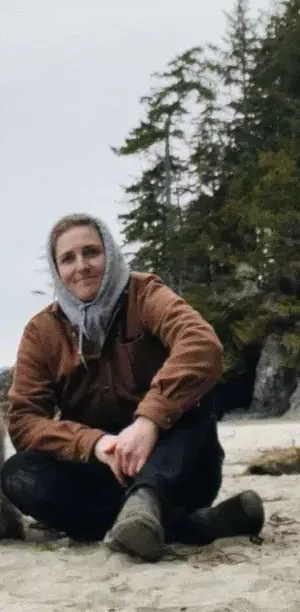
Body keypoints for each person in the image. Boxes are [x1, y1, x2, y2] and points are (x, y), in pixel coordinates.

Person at [0, 214, 264, 560]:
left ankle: (148, 503)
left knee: (195, 400)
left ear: (109, 253)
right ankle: (194, 527)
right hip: (102, 469)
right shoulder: (41, 332)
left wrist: (149, 421)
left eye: (91, 252)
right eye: (68, 258)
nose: (82, 266)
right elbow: (24, 421)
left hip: (177, 463)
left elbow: (201, 344)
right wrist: (95, 445)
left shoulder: (146, 293)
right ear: (56, 269)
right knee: (19, 473)